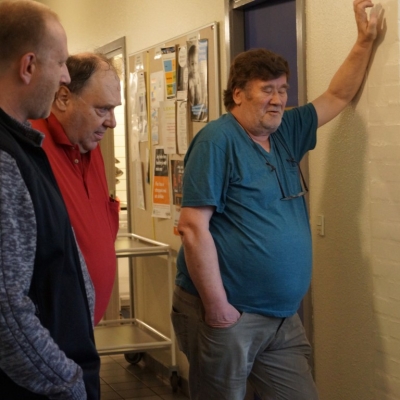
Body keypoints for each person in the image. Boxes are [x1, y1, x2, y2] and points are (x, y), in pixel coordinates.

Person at [171, 1, 381, 399]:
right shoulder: (218, 141)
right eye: (267, 89)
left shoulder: (286, 131)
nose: (279, 99)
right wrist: (217, 307)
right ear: (238, 94)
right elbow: (193, 228)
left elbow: (338, 94)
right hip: (228, 313)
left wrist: (364, 41)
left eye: (283, 89)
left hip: (282, 318)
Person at [0, 1, 100, 399]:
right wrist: (69, 383)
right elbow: (7, 312)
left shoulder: (21, 145)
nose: (64, 77)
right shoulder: (4, 159)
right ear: (28, 66)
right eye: (60, 63)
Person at [31, 53, 121, 325]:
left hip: (84, 328)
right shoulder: (31, 149)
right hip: (48, 330)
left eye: (114, 109)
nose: (112, 122)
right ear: (63, 98)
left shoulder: (89, 144)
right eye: (102, 109)